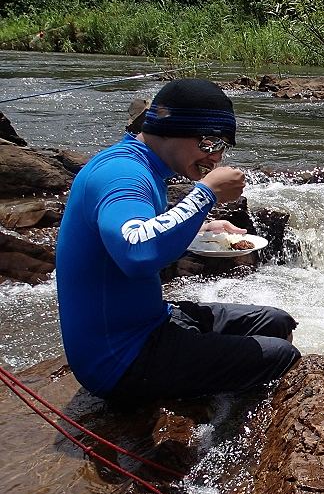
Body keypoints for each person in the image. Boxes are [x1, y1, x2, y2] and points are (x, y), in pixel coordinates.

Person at [55, 78, 300, 405]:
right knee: (281, 355)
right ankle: (229, 437)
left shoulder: (145, 165)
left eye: (223, 146)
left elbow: (138, 232)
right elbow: (136, 249)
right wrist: (205, 195)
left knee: (276, 321)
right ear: (173, 129)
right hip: (120, 359)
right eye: (211, 142)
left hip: (151, 321)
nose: (216, 158)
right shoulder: (122, 174)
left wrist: (201, 230)